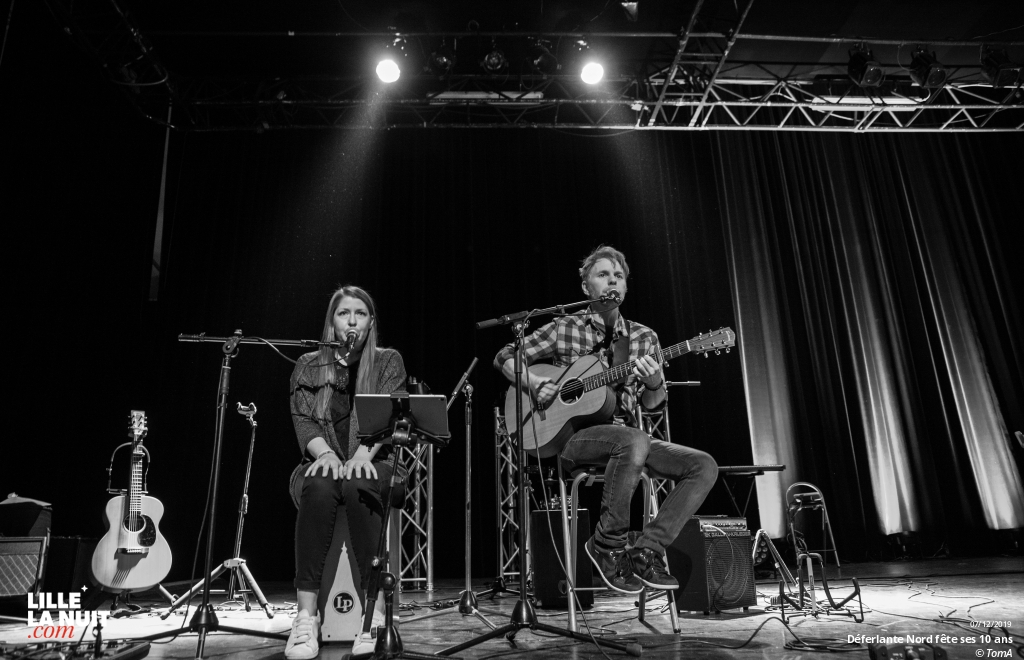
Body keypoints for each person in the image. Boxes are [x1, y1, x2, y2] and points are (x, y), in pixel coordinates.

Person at [493, 245, 718, 594]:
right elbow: (506, 355)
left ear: (626, 287)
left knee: (703, 465)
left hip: (628, 439)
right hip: (572, 440)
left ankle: (646, 550)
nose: (612, 280)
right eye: (603, 275)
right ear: (586, 287)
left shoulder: (643, 338)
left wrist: (655, 382)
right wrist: (534, 383)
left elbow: (653, 405)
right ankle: (607, 545)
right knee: (634, 440)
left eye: (619, 276)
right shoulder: (563, 328)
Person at [285, 285, 406, 660]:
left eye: (361, 314)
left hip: (378, 462)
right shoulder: (309, 365)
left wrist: (361, 457)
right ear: (332, 322)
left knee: (359, 482)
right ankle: (306, 618)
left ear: (371, 323)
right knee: (321, 485)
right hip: (319, 463)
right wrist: (327, 456)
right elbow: (303, 422)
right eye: (344, 313)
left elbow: (390, 421)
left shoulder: (388, 362)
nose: (352, 320)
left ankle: (374, 615)